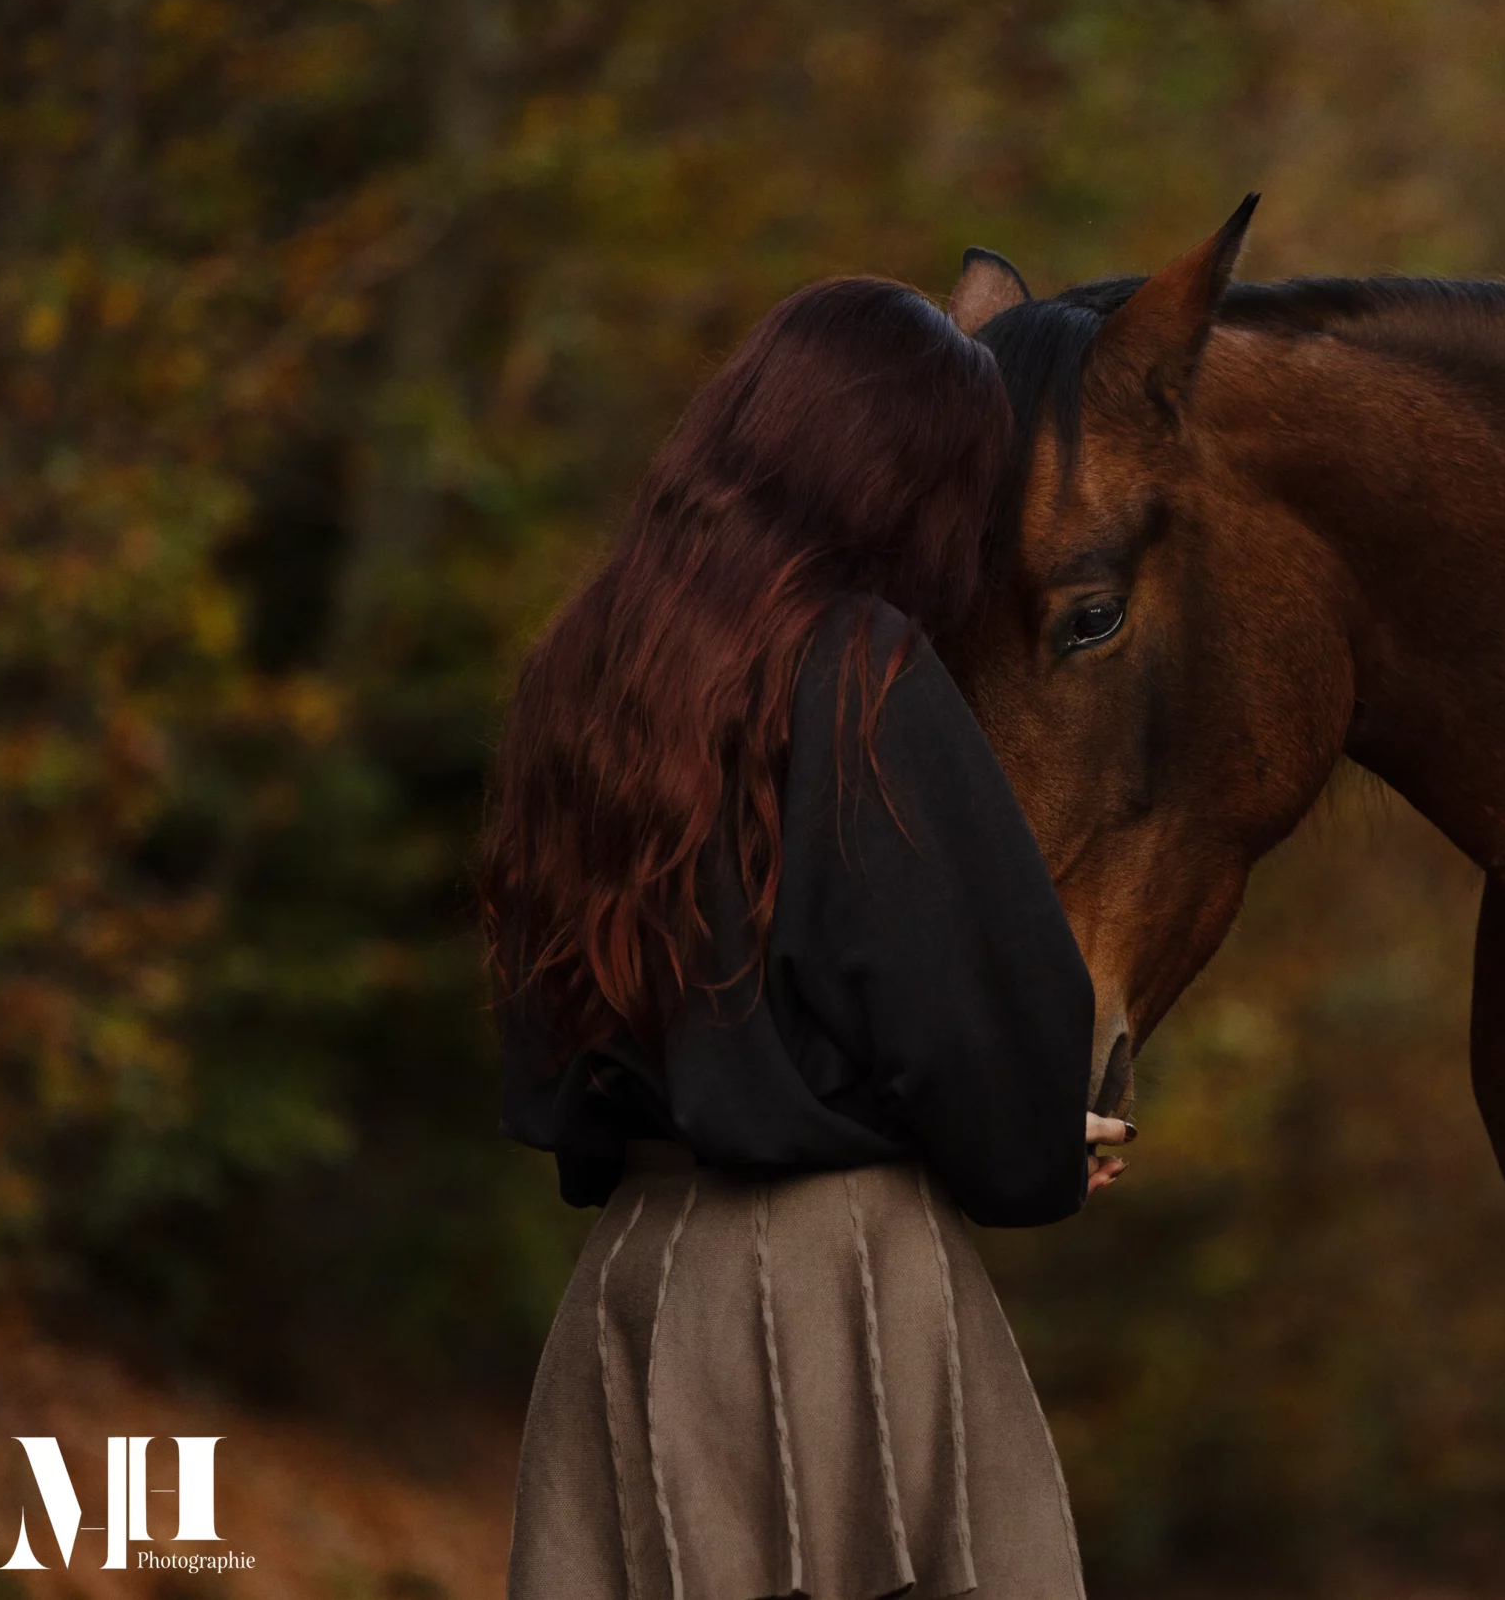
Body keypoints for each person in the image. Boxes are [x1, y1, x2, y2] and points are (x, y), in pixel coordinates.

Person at [477, 277, 1126, 1600]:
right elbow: (973, 1006)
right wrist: (1037, 1133)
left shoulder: (582, 669)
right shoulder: (862, 672)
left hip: (635, 1282)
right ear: (906, 484)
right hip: (838, 1283)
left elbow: (562, 1012)